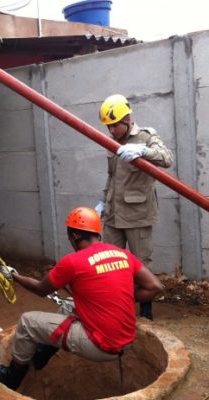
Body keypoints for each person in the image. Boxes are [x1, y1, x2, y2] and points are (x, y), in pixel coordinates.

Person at [0, 207, 163, 391]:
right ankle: (42, 354)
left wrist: (15, 276)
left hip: (101, 345)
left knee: (27, 322)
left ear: (76, 235)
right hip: (125, 340)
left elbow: (40, 289)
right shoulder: (122, 254)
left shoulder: (73, 261)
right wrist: (117, 299)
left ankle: (11, 377)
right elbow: (155, 286)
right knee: (68, 306)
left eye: (70, 236)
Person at [95, 94, 173, 321]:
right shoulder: (112, 142)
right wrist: (103, 201)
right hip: (113, 214)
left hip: (138, 214)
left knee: (140, 263)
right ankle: (115, 305)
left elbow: (167, 158)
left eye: (115, 125)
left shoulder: (146, 136)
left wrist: (144, 151)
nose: (111, 131)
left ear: (127, 119)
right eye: (108, 127)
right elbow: (112, 176)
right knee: (110, 262)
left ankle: (146, 309)